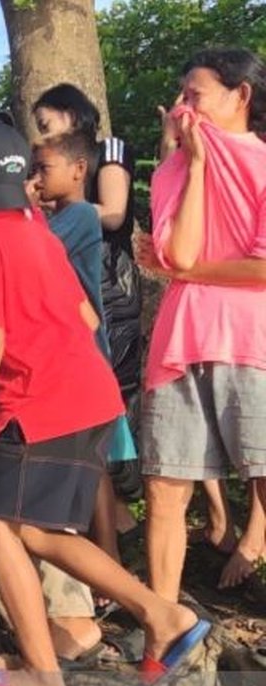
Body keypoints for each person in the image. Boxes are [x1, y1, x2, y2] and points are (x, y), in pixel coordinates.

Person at [0, 119, 207, 686]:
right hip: (89, 392)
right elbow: (85, 317)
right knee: (34, 529)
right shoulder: (35, 228)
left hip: (41, 399)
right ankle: (164, 615)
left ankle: (43, 679)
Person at [138, 48, 266, 598]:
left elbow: (245, 266)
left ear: (242, 96)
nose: (183, 108)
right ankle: (163, 623)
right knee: (166, 486)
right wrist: (193, 166)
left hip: (251, 341)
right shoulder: (172, 170)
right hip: (179, 340)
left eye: (196, 96)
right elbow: (180, 252)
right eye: (182, 97)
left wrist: (189, 271)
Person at [33, 82, 148, 561]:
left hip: (109, 287)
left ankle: (118, 518)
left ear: (72, 117)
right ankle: (114, 521)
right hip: (76, 288)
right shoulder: (57, 198)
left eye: (46, 124)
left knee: (106, 410)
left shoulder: (108, 154)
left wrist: (54, 212)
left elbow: (116, 211)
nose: (40, 134)